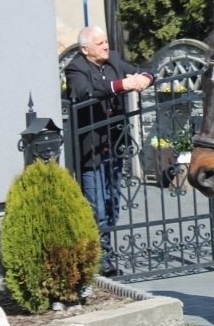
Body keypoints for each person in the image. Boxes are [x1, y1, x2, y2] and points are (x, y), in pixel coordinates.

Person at [65, 26, 155, 277]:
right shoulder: (75, 68)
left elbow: (143, 71)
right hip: (90, 151)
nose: (106, 46)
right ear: (86, 49)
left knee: (113, 204)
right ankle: (102, 259)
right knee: (97, 209)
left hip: (114, 146)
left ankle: (104, 250)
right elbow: (85, 92)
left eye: (106, 41)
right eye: (100, 43)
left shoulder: (114, 60)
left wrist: (145, 78)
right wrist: (121, 84)